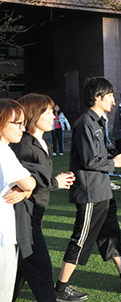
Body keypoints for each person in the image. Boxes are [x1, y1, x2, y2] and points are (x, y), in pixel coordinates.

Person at [54, 77, 121, 301]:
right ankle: (60, 290)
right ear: (97, 98)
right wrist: (115, 163)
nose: (113, 99)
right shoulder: (84, 124)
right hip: (90, 192)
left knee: (111, 234)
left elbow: (99, 155)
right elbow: (90, 161)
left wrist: (118, 158)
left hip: (102, 190)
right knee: (81, 238)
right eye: (109, 95)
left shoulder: (98, 121)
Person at [11, 94, 75, 302]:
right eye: (47, 112)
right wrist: (54, 182)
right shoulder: (24, 145)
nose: (53, 116)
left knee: (19, 275)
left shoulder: (42, 143)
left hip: (34, 216)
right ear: (33, 114)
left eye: (52, 111)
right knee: (42, 272)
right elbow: (21, 180)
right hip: (24, 219)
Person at [0, 98, 36, 302]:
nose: (21, 128)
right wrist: (25, 190)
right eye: (16, 123)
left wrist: (23, 191)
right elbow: (29, 183)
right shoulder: (4, 152)